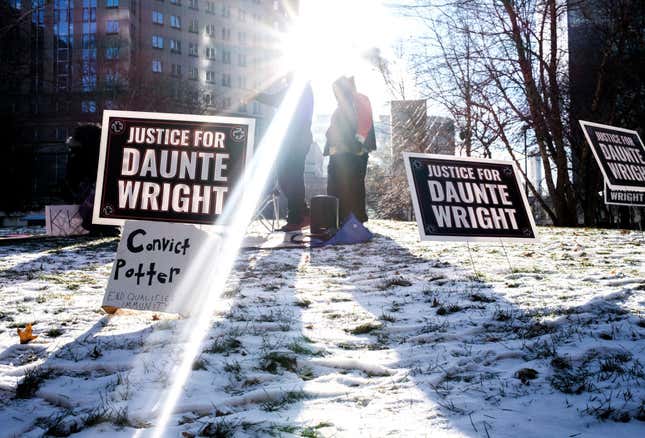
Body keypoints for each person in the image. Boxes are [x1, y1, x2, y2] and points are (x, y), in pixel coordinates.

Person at [256, 73, 314, 232]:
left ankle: (297, 218)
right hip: (292, 140)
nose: (285, 82)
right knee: (285, 178)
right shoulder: (299, 90)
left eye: (287, 79)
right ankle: (303, 213)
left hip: (297, 140)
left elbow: (274, 99)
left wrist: (253, 94)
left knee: (292, 178)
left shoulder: (300, 89)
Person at [324, 76, 376, 223]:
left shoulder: (358, 101)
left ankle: (352, 221)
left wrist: (357, 146)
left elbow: (364, 124)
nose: (335, 93)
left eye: (337, 90)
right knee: (338, 188)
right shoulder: (343, 106)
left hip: (350, 154)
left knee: (350, 188)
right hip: (341, 154)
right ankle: (341, 220)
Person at [65, 124, 119, 236]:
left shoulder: (79, 151)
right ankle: (103, 226)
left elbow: (72, 174)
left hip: (89, 184)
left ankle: (99, 226)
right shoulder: (98, 149)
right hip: (93, 184)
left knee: (94, 203)